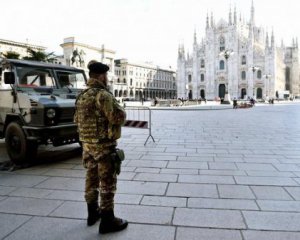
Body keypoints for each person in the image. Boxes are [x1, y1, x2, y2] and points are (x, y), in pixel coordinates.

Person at [74, 62, 128, 234]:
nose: (107, 78)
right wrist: (121, 109)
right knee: (107, 182)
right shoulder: (103, 95)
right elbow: (118, 118)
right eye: (106, 75)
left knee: (90, 179)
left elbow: (77, 120)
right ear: (101, 76)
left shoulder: (82, 95)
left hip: (87, 146)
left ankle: (92, 214)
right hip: (103, 147)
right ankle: (107, 220)